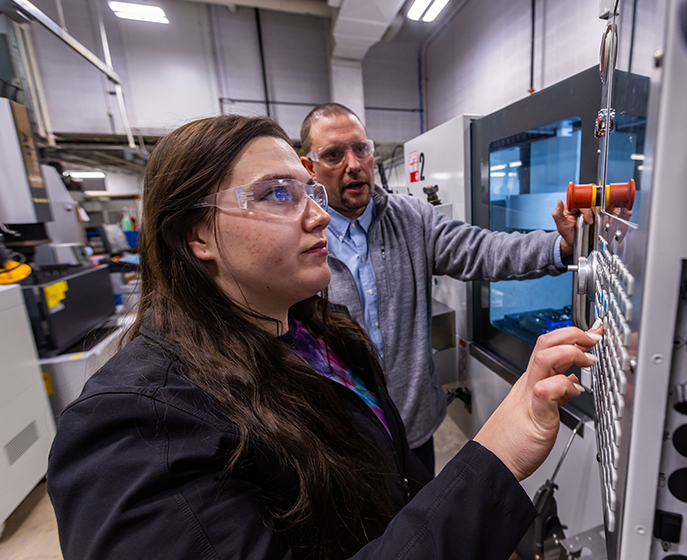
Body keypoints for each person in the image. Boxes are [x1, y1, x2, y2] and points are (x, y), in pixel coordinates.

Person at [46, 114, 604, 560]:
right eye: (278, 194)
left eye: (306, 191)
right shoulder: (135, 427)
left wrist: (562, 248)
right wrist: (496, 453)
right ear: (197, 235)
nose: (317, 217)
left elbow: (483, 250)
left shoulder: (320, 331)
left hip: (407, 431)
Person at [299, 103, 580, 474]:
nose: (353, 164)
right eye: (334, 154)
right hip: (342, 440)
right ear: (309, 167)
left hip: (414, 425)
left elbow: (483, 249)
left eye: (361, 149)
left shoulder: (411, 218)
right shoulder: (299, 238)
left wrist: (560, 246)